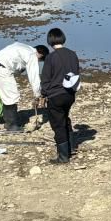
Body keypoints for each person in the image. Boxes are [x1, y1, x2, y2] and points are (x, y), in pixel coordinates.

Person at [40, 27, 81, 164]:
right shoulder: (72, 54)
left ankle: (63, 156)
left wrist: (43, 94)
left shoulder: (51, 57)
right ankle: (72, 147)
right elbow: (76, 73)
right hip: (70, 94)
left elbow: (46, 78)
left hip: (56, 95)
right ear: (63, 38)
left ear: (49, 41)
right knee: (65, 117)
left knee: (58, 124)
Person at [0, 42, 49, 132]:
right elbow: (34, 77)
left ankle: (8, 122)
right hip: (3, 69)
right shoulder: (32, 55)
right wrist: (38, 94)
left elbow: (15, 62)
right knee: (12, 97)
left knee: (7, 96)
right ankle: (12, 126)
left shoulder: (23, 47)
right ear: (40, 55)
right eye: (40, 60)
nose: (38, 62)